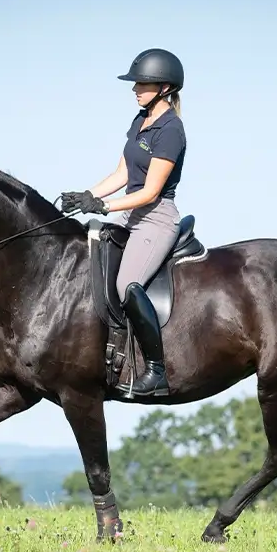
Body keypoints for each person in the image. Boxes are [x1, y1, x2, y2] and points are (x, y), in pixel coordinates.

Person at [61, 48, 187, 398]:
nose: (135, 89)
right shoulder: (140, 121)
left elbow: (149, 192)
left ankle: (156, 371)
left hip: (156, 217)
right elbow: (122, 174)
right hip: (130, 214)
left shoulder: (171, 130)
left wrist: (103, 206)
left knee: (126, 284)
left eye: (142, 84)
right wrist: (86, 195)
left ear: (164, 87)